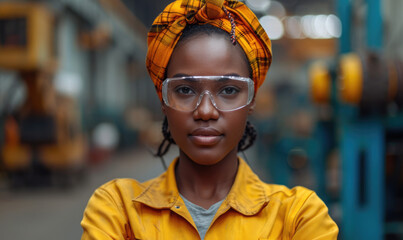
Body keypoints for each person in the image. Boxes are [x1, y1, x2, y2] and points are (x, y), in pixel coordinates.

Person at [81, 0, 339, 239]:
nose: (205, 111)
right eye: (184, 90)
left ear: (251, 100)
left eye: (228, 90)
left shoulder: (299, 217)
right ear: (163, 100)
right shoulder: (118, 210)